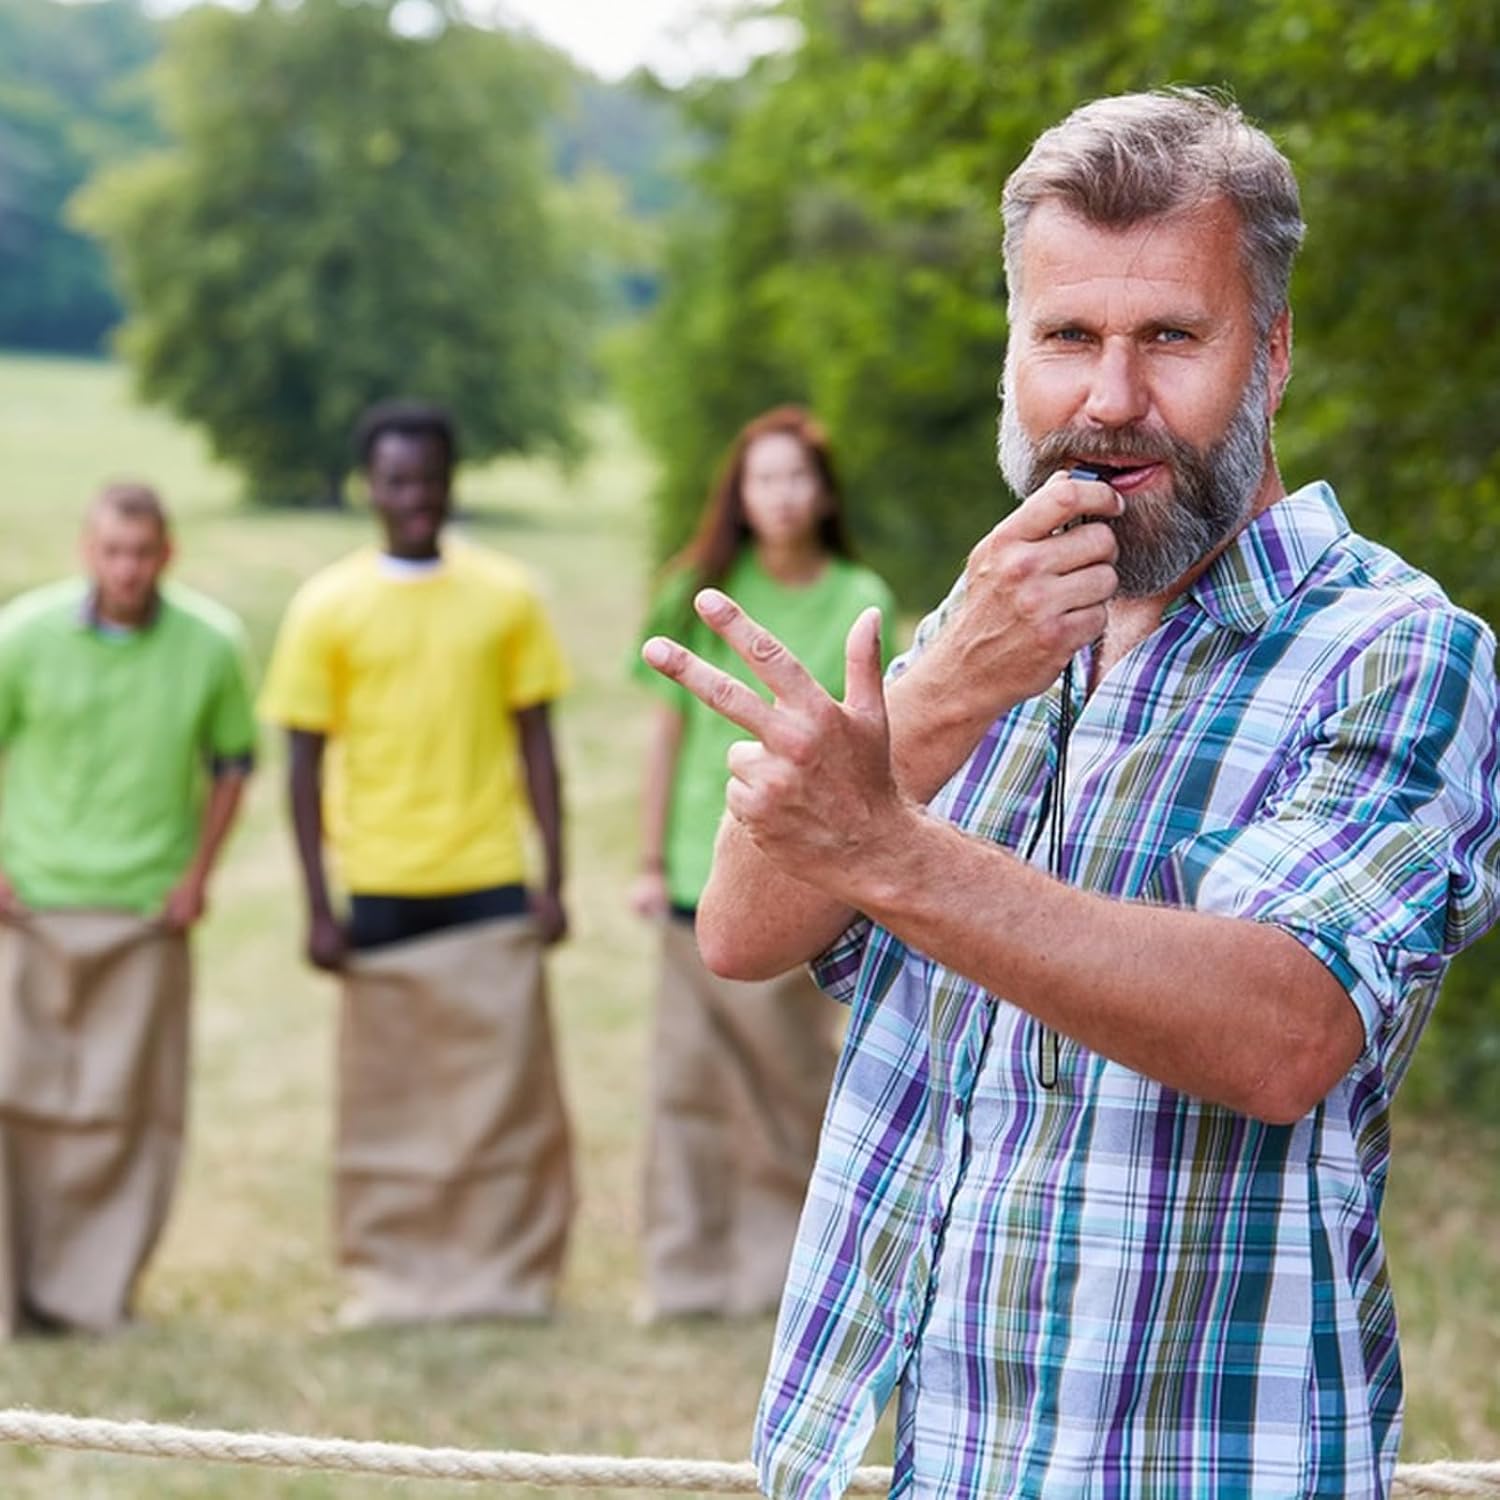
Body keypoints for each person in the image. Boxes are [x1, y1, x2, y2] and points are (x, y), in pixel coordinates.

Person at [642, 89, 1500, 1498]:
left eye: (1169, 335)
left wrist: (895, 849)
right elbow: (743, 931)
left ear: (1271, 357)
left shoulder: (1397, 652)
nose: (1108, 400)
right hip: (933, 1463)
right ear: (1012, 357)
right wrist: (944, 691)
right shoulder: (988, 629)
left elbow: (1284, 1032)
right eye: (1067, 338)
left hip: (1208, 1468)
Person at [259, 400, 574, 1326]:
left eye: (430, 480)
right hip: (383, 886)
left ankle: (505, 1276)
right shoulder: (325, 605)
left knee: (504, 1101)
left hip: (487, 879)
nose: (415, 498)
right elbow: (302, 765)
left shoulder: (508, 595)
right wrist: (318, 905)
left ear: (451, 481)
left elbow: (540, 748)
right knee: (393, 1106)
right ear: (371, 487)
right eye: (397, 481)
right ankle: (394, 1278)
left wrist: (554, 879)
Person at [629, 405, 895, 1321]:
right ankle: (684, 1275)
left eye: (796, 476)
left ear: (822, 492)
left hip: (798, 871)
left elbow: (873, 743)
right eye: (762, 478)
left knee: (788, 1080)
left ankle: (780, 1274)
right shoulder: (697, 591)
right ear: (738, 495)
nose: (781, 495)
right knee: (685, 1081)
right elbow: (662, 738)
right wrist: (646, 859)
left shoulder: (859, 593)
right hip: (693, 870)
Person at [0, 483, 255, 1337]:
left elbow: (231, 764)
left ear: (167, 554)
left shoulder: (212, 645)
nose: (127, 570)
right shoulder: (23, 635)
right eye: (112, 552)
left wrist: (197, 876)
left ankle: (91, 1296)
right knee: (13, 1102)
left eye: (143, 553)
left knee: (127, 1113)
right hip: (27, 908)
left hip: (146, 913)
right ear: (87, 549)